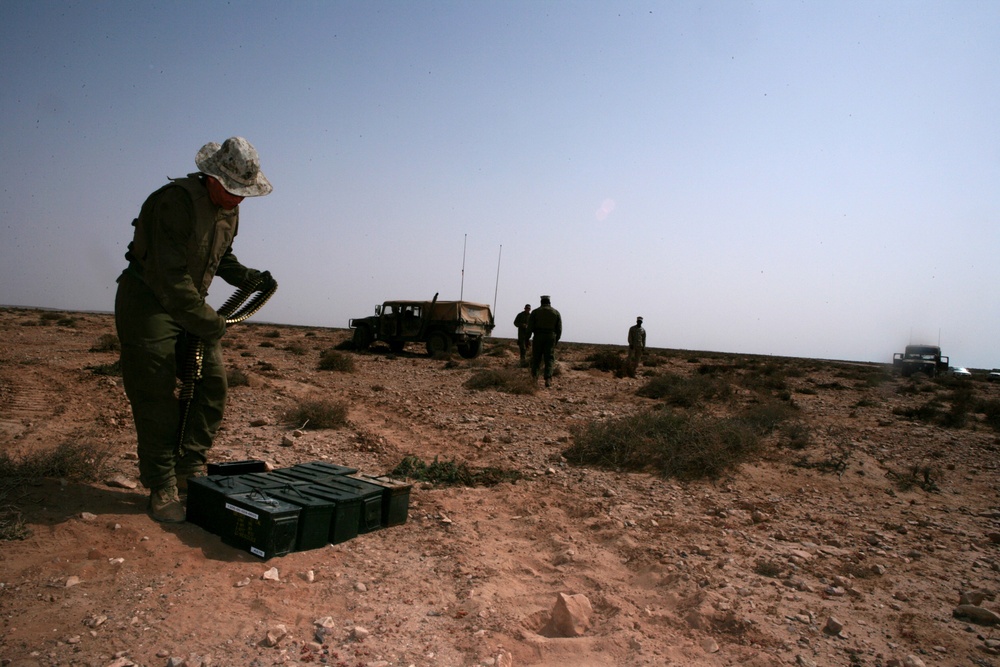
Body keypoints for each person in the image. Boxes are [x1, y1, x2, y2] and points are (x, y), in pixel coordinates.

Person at [114, 137, 275, 523]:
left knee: (212, 383)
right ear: (212, 177)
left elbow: (220, 257)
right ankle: (162, 483)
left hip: (190, 303)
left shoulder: (229, 210)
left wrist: (248, 278)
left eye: (244, 193)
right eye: (233, 190)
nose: (239, 199)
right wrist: (209, 321)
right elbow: (168, 276)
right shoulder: (173, 202)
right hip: (150, 301)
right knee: (155, 391)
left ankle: (189, 468)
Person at [527, 295, 562, 387]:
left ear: (541, 302)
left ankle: (534, 379)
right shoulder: (556, 312)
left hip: (538, 336)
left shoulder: (535, 312)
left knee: (536, 358)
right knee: (549, 358)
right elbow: (559, 329)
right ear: (549, 302)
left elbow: (529, 327)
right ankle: (548, 379)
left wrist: (527, 339)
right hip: (550, 337)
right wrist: (556, 340)